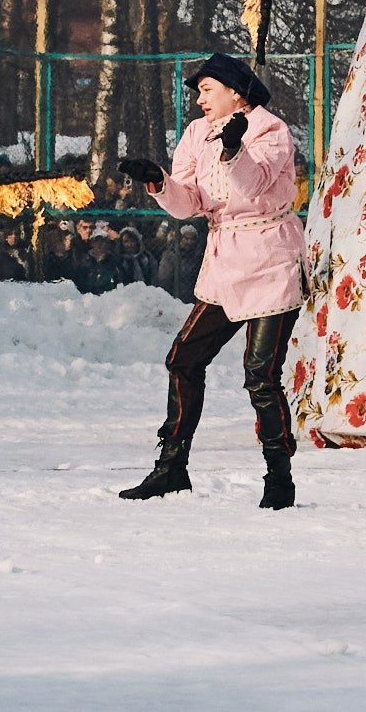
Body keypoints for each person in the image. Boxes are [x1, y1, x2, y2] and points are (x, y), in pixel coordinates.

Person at [118, 53, 307, 510]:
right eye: (198, 92)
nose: (199, 99)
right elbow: (189, 204)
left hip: (271, 260)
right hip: (224, 262)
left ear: (235, 92)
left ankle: (279, 478)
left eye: (207, 89)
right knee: (183, 358)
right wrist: (159, 183)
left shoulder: (269, 129)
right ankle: (171, 467)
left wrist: (235, 149)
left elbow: (254, 186)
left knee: (261, 376)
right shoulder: (195, 134)